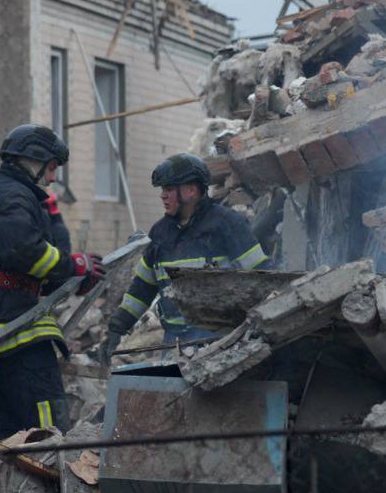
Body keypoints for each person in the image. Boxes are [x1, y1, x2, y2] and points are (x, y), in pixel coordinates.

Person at [0, 124, 104, 438]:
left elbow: (18, 270)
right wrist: (73, 265)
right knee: (45, 418)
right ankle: (53, 463)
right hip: (9, 329)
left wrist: (73, 281)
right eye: (51, 168)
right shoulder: (14, 197)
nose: (53, 178)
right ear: (32, 161)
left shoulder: (6, 194)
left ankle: (14, 470)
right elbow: (24, 252)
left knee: (8, 428)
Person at [103, 153, 269, 360]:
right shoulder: (159, 233)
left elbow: (262, 278)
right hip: (173, 345)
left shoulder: (227, 224)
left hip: (222, 345)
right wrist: (116, 328)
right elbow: (142, 288)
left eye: (169, 189)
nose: (163, 196)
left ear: (191, 190)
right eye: (162, 190)